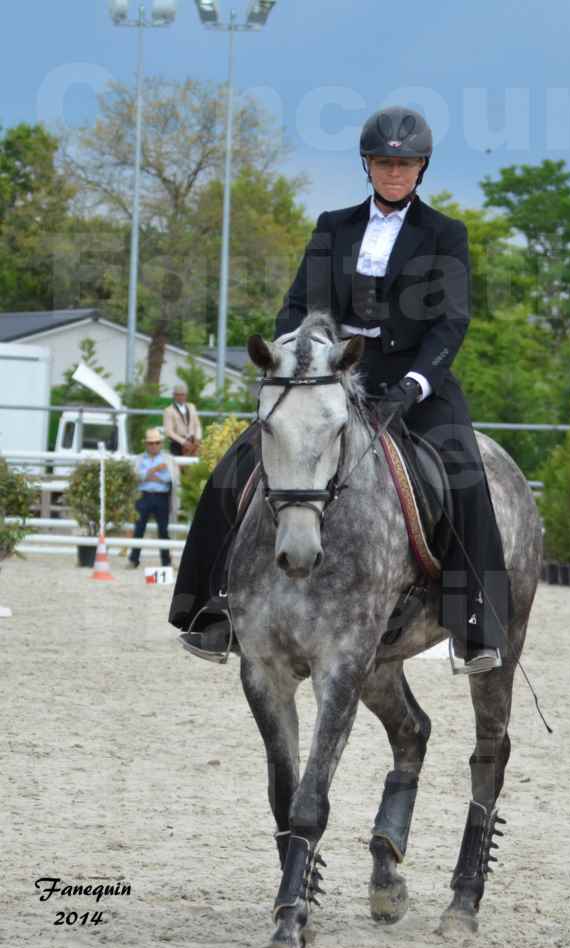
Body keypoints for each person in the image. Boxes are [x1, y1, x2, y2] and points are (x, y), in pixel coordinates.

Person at [170, 105, 510, 674]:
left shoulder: (445, 234)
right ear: (367, 166)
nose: (394, 172)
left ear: (421, 169)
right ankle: (212, 608)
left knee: (465, 475)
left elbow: (452, 321)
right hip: (332, 374)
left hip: (414, 380)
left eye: (404, 164)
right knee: (239, 462)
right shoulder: (334, 226)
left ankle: (474, 625)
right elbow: (297, 305)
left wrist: (414, 383)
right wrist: (302, 354)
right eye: (383, 163)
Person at [129, 428, 173, 570]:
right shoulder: (139, 459)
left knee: (163, 530)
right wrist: (155, 471)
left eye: (156, 443)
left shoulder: (168, 459)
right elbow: (137, 477)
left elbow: (170, 479)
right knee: (139, 528)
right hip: (144, 496)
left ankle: (166, 562)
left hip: (161, 497)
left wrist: (149, 475)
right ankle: (134, 559)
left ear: (160, 444)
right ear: (146, 445)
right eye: (151, 443)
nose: (153, 445)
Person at [163, 382, 202, 457]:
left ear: (186, 396)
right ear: (174, 396)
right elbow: (169, 431)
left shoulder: (192, 407)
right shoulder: (169, 410)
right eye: (178, 395)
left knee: (194, 465)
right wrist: (183, 442)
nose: (180, 397)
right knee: (178, 466)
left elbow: (197, 425)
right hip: (177, 443)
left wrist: (198, 438)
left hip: (193, 442)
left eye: (183, 395)